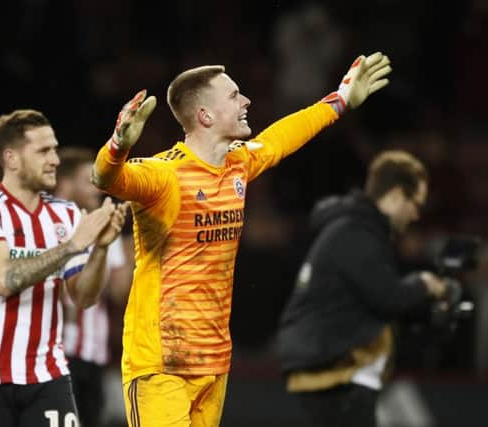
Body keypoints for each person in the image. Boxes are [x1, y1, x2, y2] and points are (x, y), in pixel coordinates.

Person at [91, 52, 392, 426]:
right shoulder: (163, 174)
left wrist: (340, 100)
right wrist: (118, 145)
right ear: (205, 115)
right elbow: (107, 180)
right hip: (160, 363)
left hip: (214, 360)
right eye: (234, 96)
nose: (247, 100)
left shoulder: (238, 163)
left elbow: (281, 138)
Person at [0, 110, 128, 427]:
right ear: (12, 158)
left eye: (55, 149)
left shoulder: (65, 215)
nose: (55, 160)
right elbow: (5, 280)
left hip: (49, 375)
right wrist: (72, 246)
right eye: (43, 151)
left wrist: (101, 248)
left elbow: (84, 297)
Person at [277, 150, 448, 427]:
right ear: (394, 196)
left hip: (333, 369)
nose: (416, 214)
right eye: (414, 203)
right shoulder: (355, 233)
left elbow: (377, 300)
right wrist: (425, 284)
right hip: (334, 373)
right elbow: (388, 297)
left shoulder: (359, 230)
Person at [56, 147, 132, 427]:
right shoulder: (52, 228)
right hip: (58, 352)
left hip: (95, 352)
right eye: (88, 179)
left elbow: (116, 293)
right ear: (65, 182)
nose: (98, 186)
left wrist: (137, 250)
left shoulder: (105, 227)